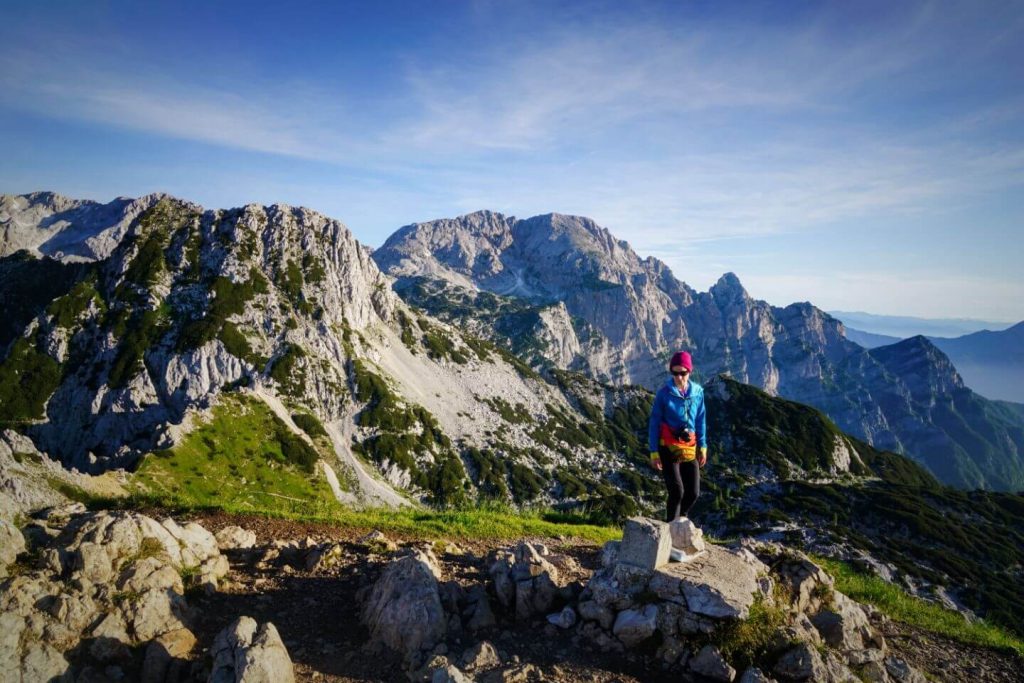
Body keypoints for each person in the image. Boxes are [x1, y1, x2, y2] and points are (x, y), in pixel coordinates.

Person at [648, 350, 707, 523]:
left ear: (690, 371)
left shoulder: (698, 393)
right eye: (675, 372)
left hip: (689, 446)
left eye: (683, 373)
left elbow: (701, 419)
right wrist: (654, 452)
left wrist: (703, 447)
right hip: (667, 446)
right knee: (677, 491)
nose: (679, 377)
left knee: (694, 492)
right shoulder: (664, 394)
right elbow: (654, 423)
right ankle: (670, 530)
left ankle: (680, 520)